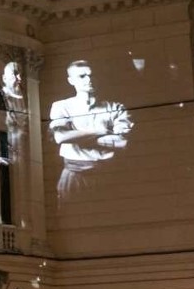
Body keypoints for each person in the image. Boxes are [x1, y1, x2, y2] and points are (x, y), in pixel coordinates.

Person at [49, 60, 133, 203]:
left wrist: (76, 136)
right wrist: (101, 132)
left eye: (91, 75)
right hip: (74, 175)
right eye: (82, 76)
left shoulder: (115, 107)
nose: (88, 80)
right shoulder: (61, 106)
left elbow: (123, 142)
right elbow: (60, 137)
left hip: (109, 176)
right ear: (71, 80)